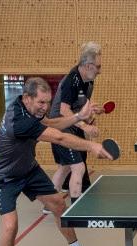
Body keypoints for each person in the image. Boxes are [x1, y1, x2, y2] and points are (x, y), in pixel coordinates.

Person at [0, 77, 112, 246]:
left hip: (28, 169)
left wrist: (77, 117)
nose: (45, 107)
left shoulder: (28, 109)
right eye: (41, 102)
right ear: (27, 98)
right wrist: (92, 146)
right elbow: (59, 137)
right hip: (4, 176)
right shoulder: (18, 120)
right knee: (10, 226)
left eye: (47, 102)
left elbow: (51, 123)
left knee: (58, 205)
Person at [49, 42, 102, 202]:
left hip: (73, 126)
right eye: (98, 67)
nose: (100, 71)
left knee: (65, 167)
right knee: (78, 167)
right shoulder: (71, 80)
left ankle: (50, 204)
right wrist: (85, 126)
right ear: (88, 66)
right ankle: (75, 209)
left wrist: (91, 115)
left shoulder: (89, 81)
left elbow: (81, 108)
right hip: (61, 128)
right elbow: (64, 110)